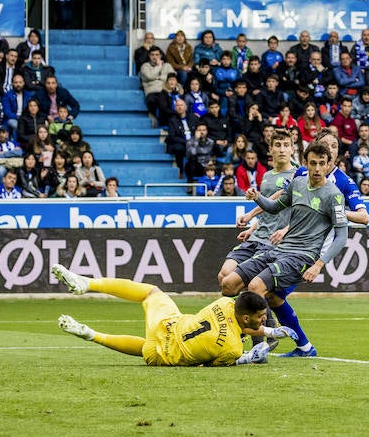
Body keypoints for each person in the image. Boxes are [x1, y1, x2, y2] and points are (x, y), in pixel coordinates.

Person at [225, 142, 349, 359]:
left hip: (303, 256)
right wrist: (257, 198)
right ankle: (304, 347)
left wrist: (319, 265)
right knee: (229, 284)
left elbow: (342, 236)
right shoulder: (297, 184)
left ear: (329, 164)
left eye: (322, 164)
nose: (317, 169)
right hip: (280, 249)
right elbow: (274, 207)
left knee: (255, 287)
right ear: (305, 163)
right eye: (313, 163)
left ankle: (257, 348)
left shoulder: (334, 195)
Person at [53, 264, 296, 366]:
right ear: (246, 318)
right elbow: (219, 361)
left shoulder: (222, 303)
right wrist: (249, 357)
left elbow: (238, 323)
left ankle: (88, 283)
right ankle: (91, 335)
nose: (264, 319)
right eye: (262, 317)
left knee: (150, 292)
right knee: (143, 349)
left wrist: (269, 331)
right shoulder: (232, 348)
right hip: (163, 355)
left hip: (167, 324)